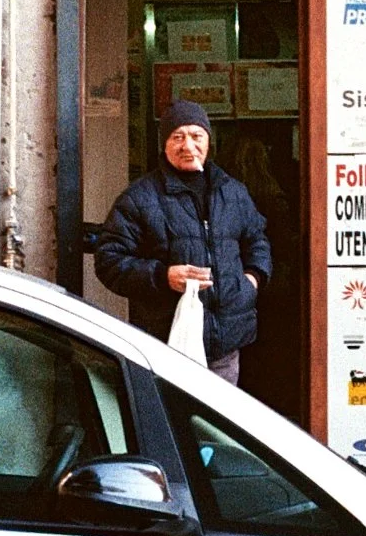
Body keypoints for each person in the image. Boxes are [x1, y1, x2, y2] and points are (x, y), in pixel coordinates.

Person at [94, 101, 272, 385]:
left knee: (218, 424)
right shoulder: (140, 198)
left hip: (224, 346)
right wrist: (162, 276)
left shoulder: (233, 192)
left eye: (196, 135)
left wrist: (252, 280)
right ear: (164, 143)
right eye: (178, 137)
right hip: (163, 346)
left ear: (208, 142)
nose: (188, 145)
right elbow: (108, 260)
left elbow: (257, 240)